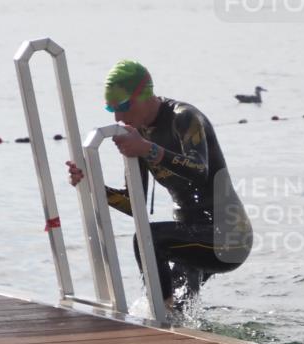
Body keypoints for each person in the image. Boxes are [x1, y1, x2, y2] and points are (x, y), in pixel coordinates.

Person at [67, 60, 252, 306]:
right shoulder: (139, 134)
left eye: (123, 106)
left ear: (144, 96)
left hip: (229, 237)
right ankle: (169, 319)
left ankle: (159, 317)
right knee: (179, 304)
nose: (118, 117)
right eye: (111, 108)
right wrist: (92, 185)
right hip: (189, 237)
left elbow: (199, 171)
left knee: (148, 240)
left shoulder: (184, 118)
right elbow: (134, 205)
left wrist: (148, 149)